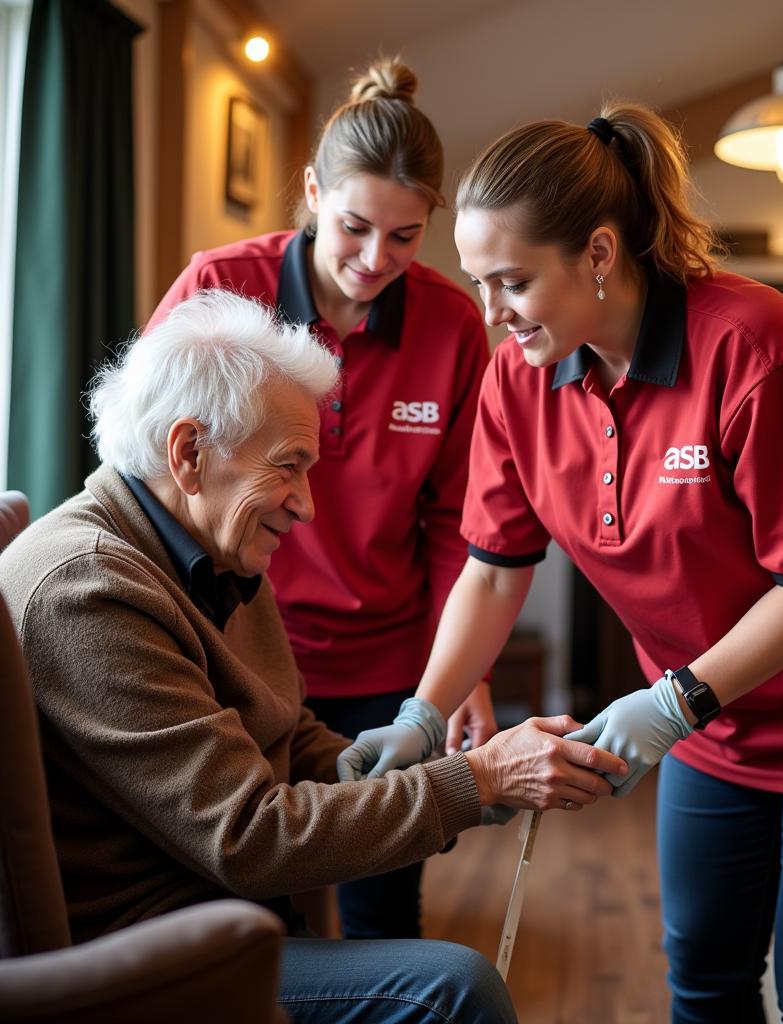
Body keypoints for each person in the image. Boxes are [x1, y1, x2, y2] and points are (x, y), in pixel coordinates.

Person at [338, 105, 783, 1023]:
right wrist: (423, 710)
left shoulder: (758, 346)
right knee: (705, 981)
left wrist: (666, 704)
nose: (492, 313)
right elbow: (490, 568)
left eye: (513, 281)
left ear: (599, 254)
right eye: (479, 282)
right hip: (714, 728)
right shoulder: (520, 376)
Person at [0, 289, 627, 1024]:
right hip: (151, 951)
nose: (307, 505)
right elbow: (248, 837)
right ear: (188, 452)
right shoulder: (87, 588)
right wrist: (477, 780)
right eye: (288, 467)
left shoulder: (212, 549)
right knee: (454, 990)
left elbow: (288, 737)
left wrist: (423, 771)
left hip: (223, 911)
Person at [149, 57, 495, 941]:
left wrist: (461, 677)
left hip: (388, 668)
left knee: (385, 912)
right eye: (354, 228)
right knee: (249, 915)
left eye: (407, 237)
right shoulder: (220, 286)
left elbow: (462, 524)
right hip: (236, 653)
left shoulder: (453, 326)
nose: (377, 260)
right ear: (310, 192)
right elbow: (149, 461)